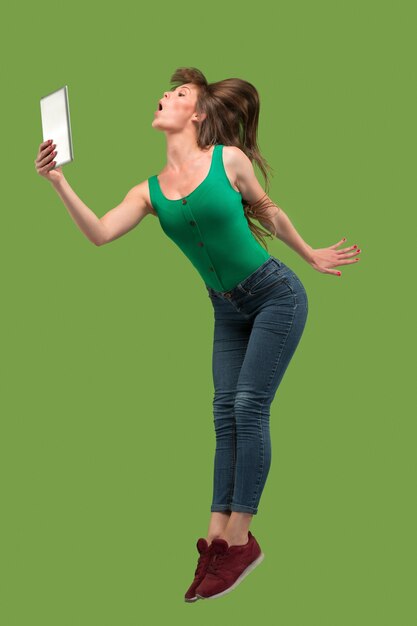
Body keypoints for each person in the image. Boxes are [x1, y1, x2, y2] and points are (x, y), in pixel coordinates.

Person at [34, 67, 362, 602]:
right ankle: (215, 537)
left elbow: (266, 210)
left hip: (275, 295)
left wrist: (310, 252)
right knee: (223, 411)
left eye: (179, 94)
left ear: (199, 114)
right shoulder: (148, 191)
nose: (165, 96)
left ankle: (239, 540)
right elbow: (98, 233)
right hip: (226, 309)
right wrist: (58, 181)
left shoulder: (227, 161)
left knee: (249, 406)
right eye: (168, 91)